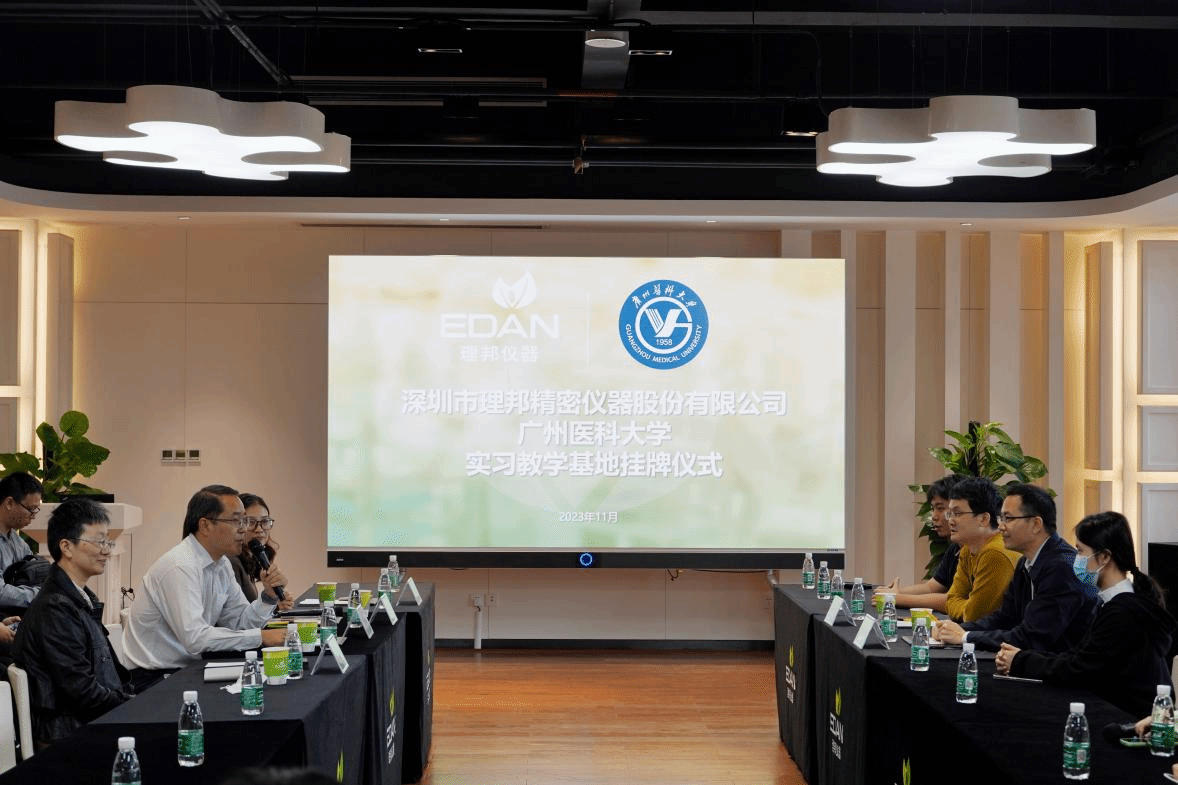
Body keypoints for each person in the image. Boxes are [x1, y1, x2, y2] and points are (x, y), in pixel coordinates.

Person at [995, 511, 1175, 717]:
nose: (1076, 558)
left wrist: (1020, 661)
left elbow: (1079, 668)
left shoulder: (1122, 611)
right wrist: (1022, 656)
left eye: (1080, 551)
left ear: (1105, 557)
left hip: (1129, 717)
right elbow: (1080, 656)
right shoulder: (1117, 603)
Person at [120, 484, 289, 688]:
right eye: (237, 521)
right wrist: (260, 637)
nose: (244, 529)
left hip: (189, 669)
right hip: (153, 679)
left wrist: (268, 598)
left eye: (244, 520)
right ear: (205, 525)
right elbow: (195, 638)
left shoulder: (221, 564)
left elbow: (241, 622)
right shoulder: (180, 566)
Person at [11, 497, 132, 747]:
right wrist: (132, 706)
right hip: (69, 735)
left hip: (87, 723)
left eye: (107, 542)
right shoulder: (55, 607)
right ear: (66, 546)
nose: (107, 551)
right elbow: (81, 691)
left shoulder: (77, 597)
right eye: (99, 541)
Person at [936, 483, 1098, 652]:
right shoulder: (1025, 562)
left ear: (1036, 524)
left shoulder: (1062, 568)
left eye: (1009, 518)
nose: (1001, 526)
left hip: (1064, 664)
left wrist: (965, 637)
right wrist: (957, 630)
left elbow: (1033, 637)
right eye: (1001, 518)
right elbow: (1005, 618)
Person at [875, 475, 965, 613]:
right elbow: (932, 587)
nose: (934, 516)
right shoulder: (955, 548)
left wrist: (897, 598)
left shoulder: (980, 550)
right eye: (933, 509)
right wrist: (895, 592)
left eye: (941, 508)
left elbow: (952, 601)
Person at [942, 477, 1020, 622]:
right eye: (950, 514)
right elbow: (951, 600)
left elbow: (974, 616)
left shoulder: (996, 552)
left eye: (957, 514)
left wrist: (966, 609)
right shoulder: (968, 549)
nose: (950, 521)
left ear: (984, 519)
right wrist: (966, 608)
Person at [229, 492, 292, 610]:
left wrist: (274, 604)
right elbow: (238, 616)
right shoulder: (231, 562)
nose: (259, 529)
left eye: (265, 521)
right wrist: (272, 604)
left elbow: (249, 611)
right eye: (251, 522)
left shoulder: (250, 559)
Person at [0, 472, 45, 610]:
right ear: (9, 503)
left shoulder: (18, 542)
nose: (33, 516)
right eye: (31, 509)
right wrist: (42, 596)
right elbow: (1, 594)